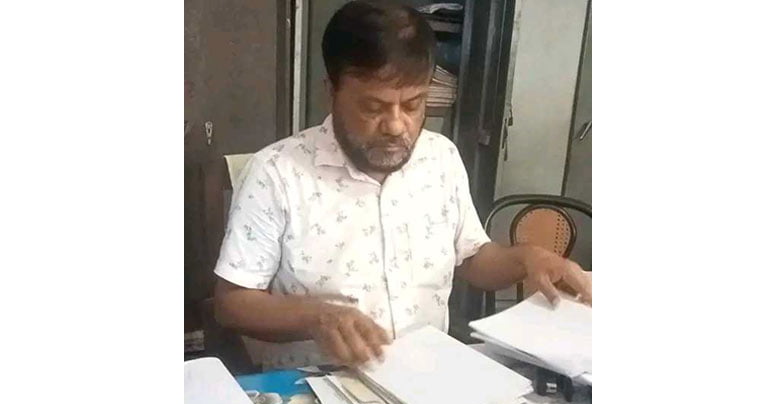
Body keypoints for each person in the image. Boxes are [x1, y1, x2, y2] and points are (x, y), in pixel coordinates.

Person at [213, 0, 592, 370]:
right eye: (372, 108)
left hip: (427, 376)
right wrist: (317, 317)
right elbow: (232, 303)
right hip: (319, 383)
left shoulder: (440, 157)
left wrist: (527, 258)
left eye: (412, 105)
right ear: (331, 91)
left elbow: (473, 258)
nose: (396, 126)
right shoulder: (276, 173)